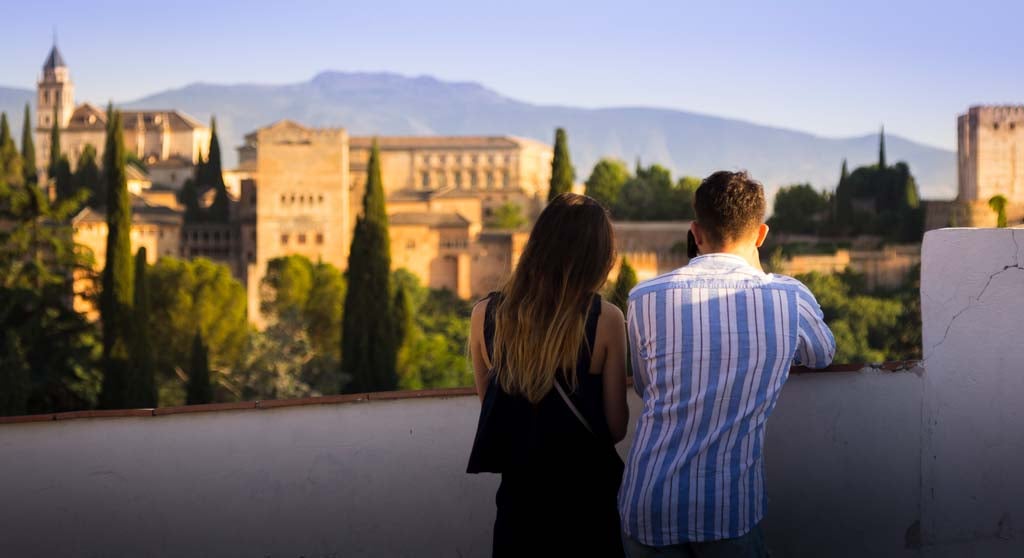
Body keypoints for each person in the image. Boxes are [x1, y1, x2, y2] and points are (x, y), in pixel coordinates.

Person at [619, 171, 836, 557]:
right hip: (729, 508)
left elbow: (644, 383)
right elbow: (822, 355)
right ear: (760, 235)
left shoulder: (644, 297)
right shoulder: (788, 298)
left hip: (648, 501)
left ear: (696, 233)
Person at [467, 192, 630, 557]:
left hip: (519, 510)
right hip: (588, 508)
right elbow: (616, 427)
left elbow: (491, 406)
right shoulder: (606, 320)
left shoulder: (485, 315)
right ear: (598, 258)